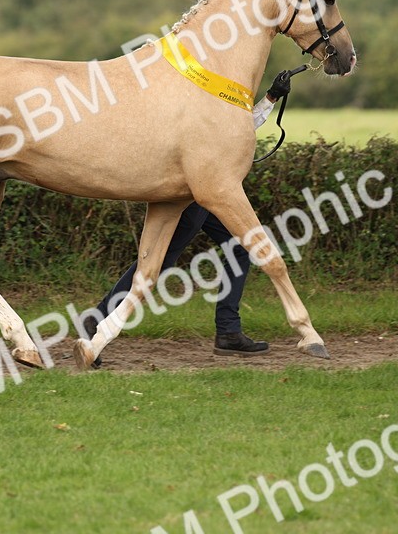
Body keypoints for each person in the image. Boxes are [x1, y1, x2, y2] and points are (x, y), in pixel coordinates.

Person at [80, 69, 295, 367]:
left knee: (241, 247)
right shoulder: (206, 92)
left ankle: (229, 331)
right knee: (161, 259)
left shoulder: (218, 90)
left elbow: (237, 131)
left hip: (207, 191)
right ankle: (97, 319)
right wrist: (270, 100)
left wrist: (271, 97)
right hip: (192, 191)